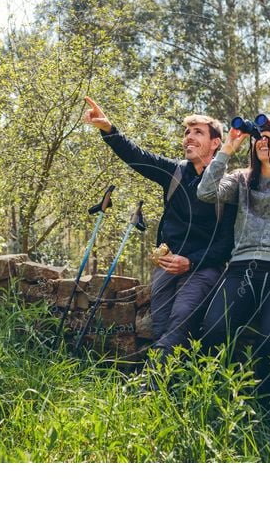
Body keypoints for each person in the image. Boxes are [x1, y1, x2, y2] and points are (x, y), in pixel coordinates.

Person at [82, 97, 237, 363]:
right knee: (161, 325)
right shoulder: (175, 172)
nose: (188, 137)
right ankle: (173, 386)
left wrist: (190, 262)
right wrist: (109, 130)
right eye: (186, 132)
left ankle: (150, 385)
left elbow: (226, 245)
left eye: (197, 132)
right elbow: (138, 157)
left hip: (203, 268)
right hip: (166, 263)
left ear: (215, 143)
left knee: (181, 318)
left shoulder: (228, 186)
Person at [197, 117, 270, 399]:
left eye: (269, 136)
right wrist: (226, 149)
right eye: (258, 137)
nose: (263, 140)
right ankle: (214, 399)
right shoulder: (241, 180)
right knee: (213, 330)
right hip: (241, 269)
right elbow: (205, 192)